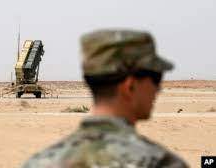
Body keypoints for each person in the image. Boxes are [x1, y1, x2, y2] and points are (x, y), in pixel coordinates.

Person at [21, 29, 189, 168]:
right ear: (129, 86)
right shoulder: (161, 163)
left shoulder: (39, 163)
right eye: (156, 79)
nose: (158, 89)